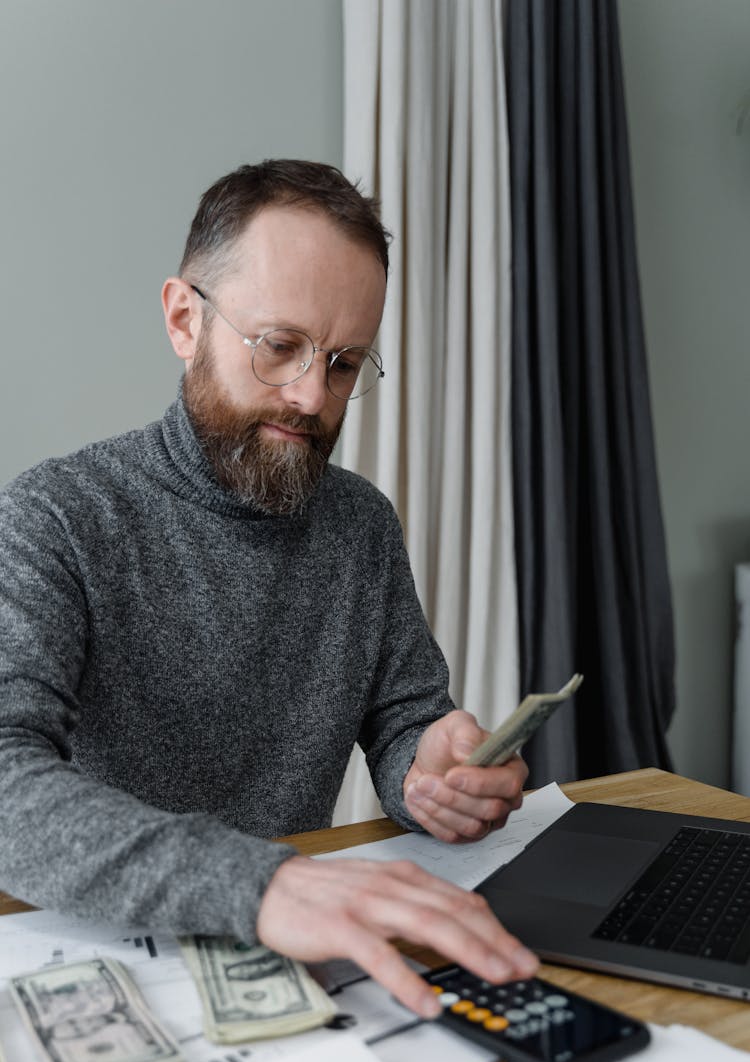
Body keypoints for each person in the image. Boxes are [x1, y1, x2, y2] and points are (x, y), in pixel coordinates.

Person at [0, 159, 537, 1018]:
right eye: (279, 346)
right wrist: (262, 884)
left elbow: (405, 721)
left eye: (345, 362)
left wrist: (430, 772)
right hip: (104, 966)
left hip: (305, 965)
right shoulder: (56, 516)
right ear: (184, 319)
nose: (311, 397)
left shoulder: (361, 524)